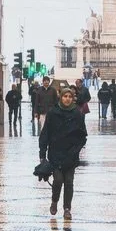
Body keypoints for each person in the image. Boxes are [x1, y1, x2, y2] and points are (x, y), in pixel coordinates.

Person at [40, 82, 88, 221]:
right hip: (56, 154)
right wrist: (42, 154)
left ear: (73, 98)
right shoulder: (53, 113)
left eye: (69, 96)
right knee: (58, 180)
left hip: (71, 155)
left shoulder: (77, 114)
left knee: (69, 182)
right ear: (61, 98)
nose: (67, 99)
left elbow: (82, 135)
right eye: (65, 96)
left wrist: (76, 149)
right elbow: (45, 134)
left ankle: (67, 208)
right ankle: (54, 200)